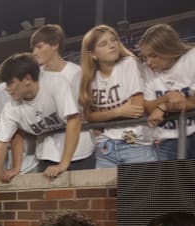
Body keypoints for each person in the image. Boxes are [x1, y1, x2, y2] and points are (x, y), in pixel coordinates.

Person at [0, 53, 83, 214]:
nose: (7, 88)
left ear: (27, 78)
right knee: (51, 211)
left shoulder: (55, 82)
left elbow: (74, 120)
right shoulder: (11, 106)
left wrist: (64, 163)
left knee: (81, 207)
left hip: (79, 151)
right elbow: (1, 144)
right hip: (47, 154)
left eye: (11, 82)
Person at [77, 25, 157, 167]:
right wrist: (119, 111)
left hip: (135, 144)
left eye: (114, 41)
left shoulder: (129, 64)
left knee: (143, 190)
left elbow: (136, 108)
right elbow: (89, 117)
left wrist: (101, 115)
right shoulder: (89, 78)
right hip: (104, 148)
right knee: (102, 190)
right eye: (103, 44)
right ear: (93, 55)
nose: (112, 46)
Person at [31, 24, 96, 171]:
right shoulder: (35, 77)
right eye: (33, 48)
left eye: (39, 47)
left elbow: (83, 111)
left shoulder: (76, 73)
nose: (35, 52)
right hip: (46, 153)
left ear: (54, 45)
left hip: (79, 151)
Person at [139, 24, 195, 160]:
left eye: (154, 56)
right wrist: (167, 98)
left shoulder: (191, 58)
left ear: (168, 50)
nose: (149, 62)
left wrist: (164, 107)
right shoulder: (146, 69)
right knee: (170, 182)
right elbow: (146, 107)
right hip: (167, 141)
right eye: (146, 56)